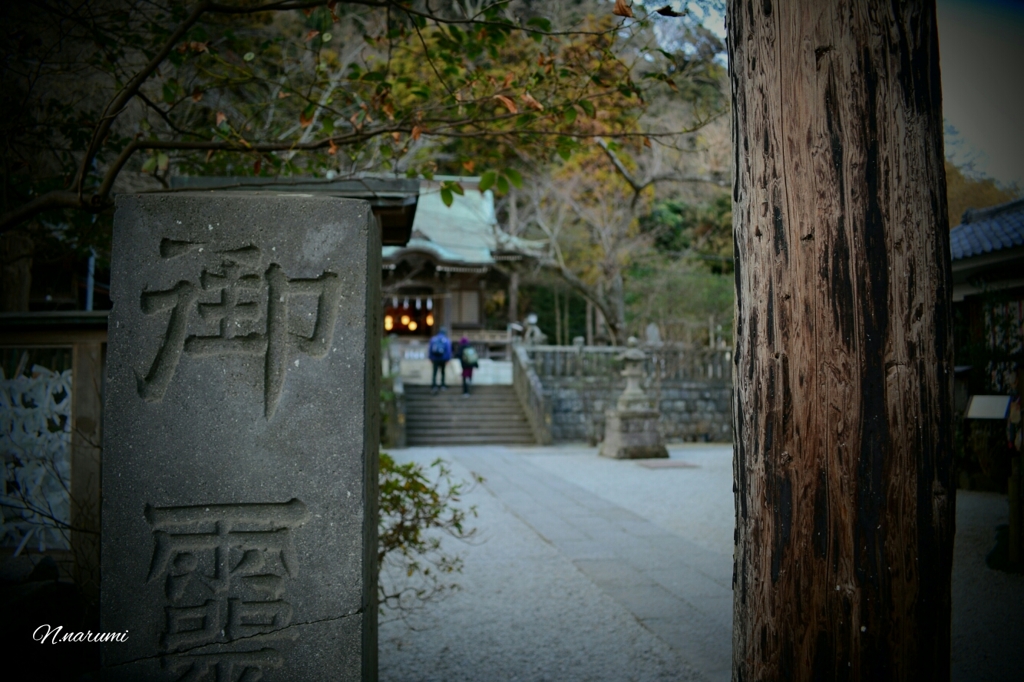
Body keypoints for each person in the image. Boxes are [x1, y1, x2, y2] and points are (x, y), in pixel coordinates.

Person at [428, 327, 452, 394]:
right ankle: (442, 385)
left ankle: (434, 385)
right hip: (443, 359)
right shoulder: (446, 340)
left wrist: (430, 357)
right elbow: (448, 350)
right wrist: (448, 359)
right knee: (443, 372)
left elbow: (430, 349)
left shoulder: (434, 339)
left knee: (434, 372)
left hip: (435, 358)